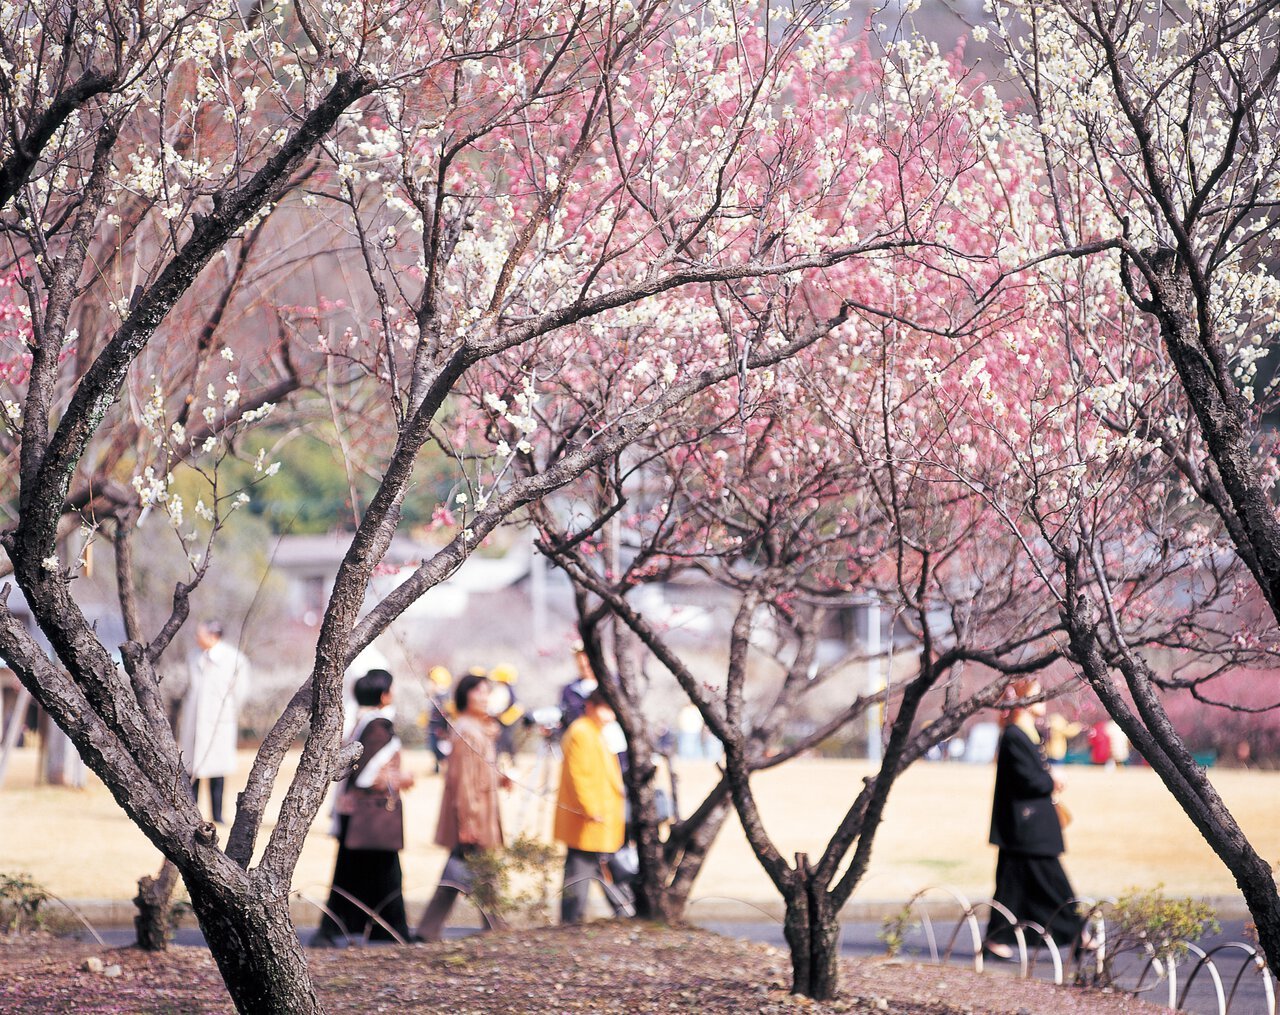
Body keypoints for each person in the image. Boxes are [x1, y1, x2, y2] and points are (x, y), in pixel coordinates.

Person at [312, 669, 415, 947]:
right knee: (385, 873)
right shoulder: (379, 726)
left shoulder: (361, 722)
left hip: (355, 815)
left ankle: (337, 930)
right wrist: (398, 780)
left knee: (351, 874)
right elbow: (367, 776)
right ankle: (390, 931)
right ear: (384, 695)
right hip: (371, 815)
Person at [985, 678, 1085, 960]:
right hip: (1026, 828)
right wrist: (1051, 778)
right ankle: (1078, 931)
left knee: (1012, 886)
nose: (1044, 699)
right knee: (1050, 882)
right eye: (1037, 695)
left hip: (1026, 827)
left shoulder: (1025, 733)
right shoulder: (1015, 735)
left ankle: (997, 938)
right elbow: (1027, 781)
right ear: (1022, 701)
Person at [416, 671, 510, 941]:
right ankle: (493, 925)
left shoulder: (476, 728)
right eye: (478, 691)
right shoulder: (467, 731)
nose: (484, 696)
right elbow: (465, 782)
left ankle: (433, 929)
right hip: (474, 812)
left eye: (486, 691)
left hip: (479, 809)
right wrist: (467, 822)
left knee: (472, 869)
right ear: (464, 696)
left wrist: (499, 778)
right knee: (469, 868)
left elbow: (479, 772)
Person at [555, 688, 629, 924]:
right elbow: (581, 776)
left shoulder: (594, 731)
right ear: (591, 706)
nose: (610, 715)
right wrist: (591, 809)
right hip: (588, 819)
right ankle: (573, 920)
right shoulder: (583, 732)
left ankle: (624, 910)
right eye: (605, 709)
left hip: (595, 817)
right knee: (582, 870)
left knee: (595, 868)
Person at [178, 620, 250, 824]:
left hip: (220, 722)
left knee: (217, 771)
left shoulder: (235, 659)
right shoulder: (193, 657)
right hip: (194, 721)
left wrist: (229, 713)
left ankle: (217, 815)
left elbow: (241, 692)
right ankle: (191, 813)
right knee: (192, 769)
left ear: (213, 635)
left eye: (199, 634)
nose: (196, 638)